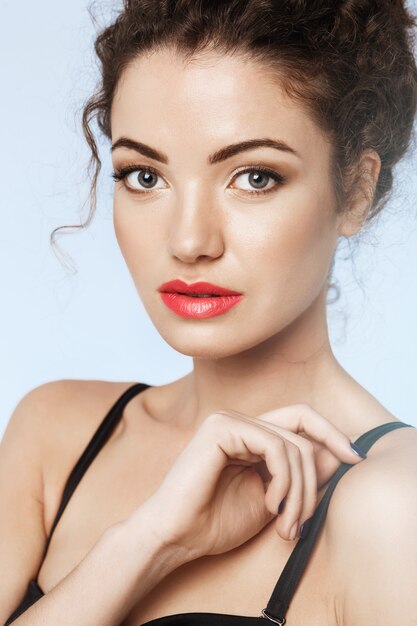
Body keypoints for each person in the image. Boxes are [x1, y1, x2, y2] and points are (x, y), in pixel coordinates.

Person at [1, 0, 417, 624]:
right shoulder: (55, 434)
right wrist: (152, 541)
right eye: (144, 177)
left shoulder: (394, 508)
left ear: (354, 191)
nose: (189, 241)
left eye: (254, 177)